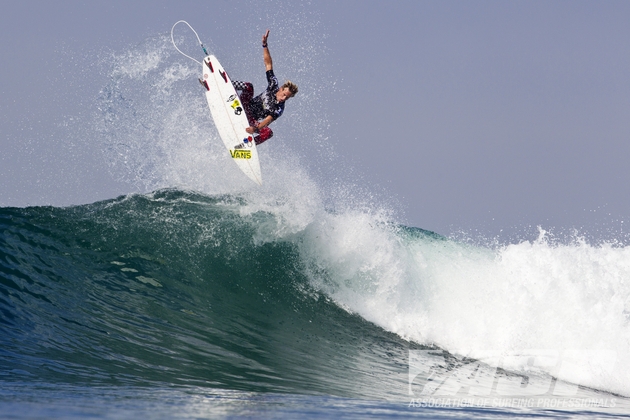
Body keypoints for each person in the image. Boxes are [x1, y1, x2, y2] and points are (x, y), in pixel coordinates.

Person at [231, 30, 298, 145]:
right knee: (249, 87)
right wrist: (265, 45)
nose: (283, 99)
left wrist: (255, 129)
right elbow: (268, 64)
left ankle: (246, 145)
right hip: (244, 106)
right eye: (284, 95)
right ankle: (227, 84)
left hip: (250, 119)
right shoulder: (273, 85)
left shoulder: (279, 108)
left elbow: (266, 121)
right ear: (281, 89)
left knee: (268, 132)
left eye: (287, 98)